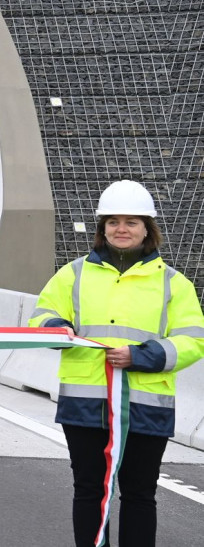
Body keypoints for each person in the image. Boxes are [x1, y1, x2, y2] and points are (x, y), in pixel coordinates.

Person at [30, 180, 204, 547]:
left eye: (131, 222)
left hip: (145, 405)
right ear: (102, 228)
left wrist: (140, 356)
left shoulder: (175, 284)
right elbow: (42, 314)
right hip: (86, 403)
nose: (121, 229)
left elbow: (194, 340)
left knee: (139, 495)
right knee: (89, 490)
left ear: (147, 230)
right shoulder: (73, 274)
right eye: (113, 222)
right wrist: (57, 328)